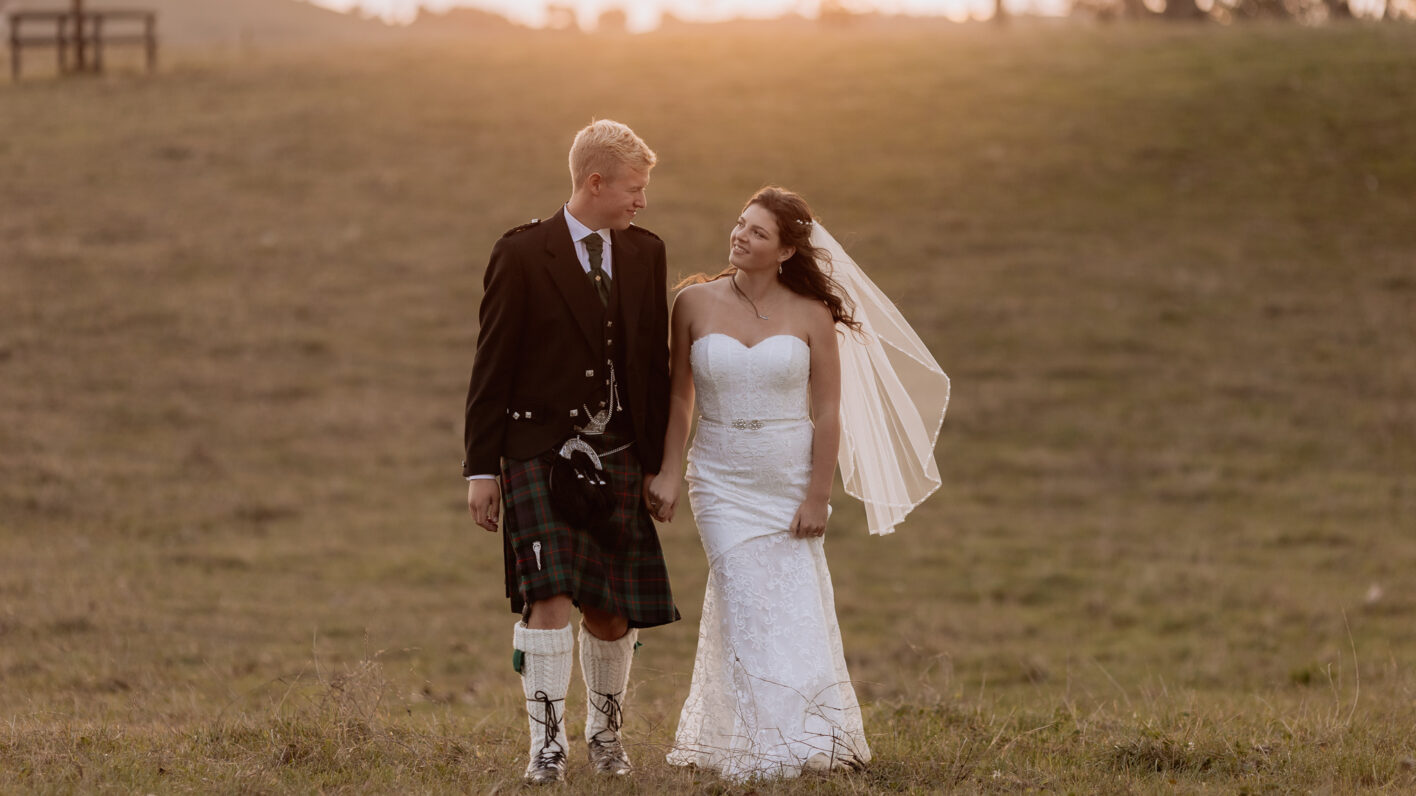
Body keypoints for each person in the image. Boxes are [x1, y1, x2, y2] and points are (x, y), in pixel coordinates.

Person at [647, 187, 949, 781]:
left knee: (794, 603)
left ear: (785, 249)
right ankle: (765, 748)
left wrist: (818, 495)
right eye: (739, 224)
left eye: (757, 232)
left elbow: (829, 411)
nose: (740, 236)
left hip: (787, 475)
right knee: (742, 595)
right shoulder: (692, 303)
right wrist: (668, 470)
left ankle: (812, 736)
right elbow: (679, 396)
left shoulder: (812, 315)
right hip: (720, 477)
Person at [461, 120, 678, 785]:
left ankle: (606, 738)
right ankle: (546, 747)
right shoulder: (524, 253)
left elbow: (651, 366)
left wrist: (658, 463)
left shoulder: (644, 253)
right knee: (549, 598)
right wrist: (481, 468)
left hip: (617, 452)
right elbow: (491, 364)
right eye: (634, 189)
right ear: (595, 182)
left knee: (612, 607)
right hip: (538, 455)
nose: (641, 201)